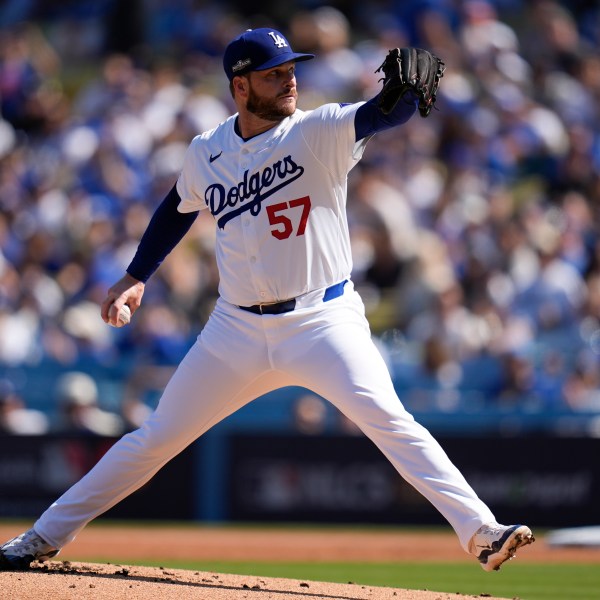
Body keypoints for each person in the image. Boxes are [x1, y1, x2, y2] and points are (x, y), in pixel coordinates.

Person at [0, 27, 533, 573]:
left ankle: (482, 532)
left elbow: (380, 114)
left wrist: (402, 98)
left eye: (291, 70)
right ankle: (44, 535)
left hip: (323, 319)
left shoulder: (317, 131)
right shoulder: (207, 151)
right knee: (154, 439)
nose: (289, 81)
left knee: (389, 420)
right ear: (240, 86)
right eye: (274, 73)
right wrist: (137, 274)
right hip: (235, 330)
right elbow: (176, 208)